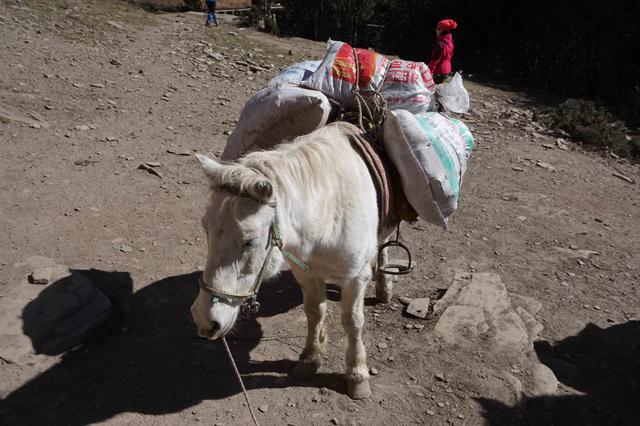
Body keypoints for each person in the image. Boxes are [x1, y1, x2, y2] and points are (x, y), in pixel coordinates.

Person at [429, 19, 457, 84]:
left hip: (438, 72)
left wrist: (429, 73)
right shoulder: (450, 42)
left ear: (441, 30)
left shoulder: (440, 44)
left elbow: (434, 60)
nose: (436, 30)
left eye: (438, 28)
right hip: (447, 71)